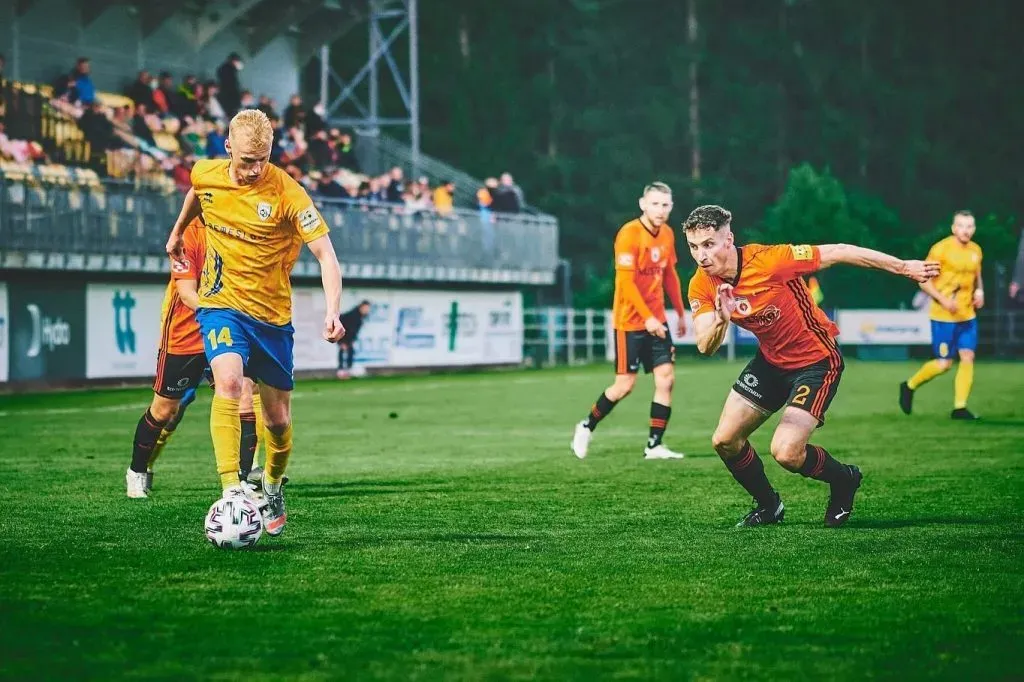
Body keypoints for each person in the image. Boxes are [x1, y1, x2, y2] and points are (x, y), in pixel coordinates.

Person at [683, 205, 939, 527]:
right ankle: (769, 506)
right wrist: (722, 318)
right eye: (693, 247)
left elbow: (840, 251)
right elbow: (705, 346)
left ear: (729, 239)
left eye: (709, 244)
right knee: (724, 440)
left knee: (786, 452)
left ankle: (844, 479)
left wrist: (903, 268)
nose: (701, 255)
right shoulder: (701, 284)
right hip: (770, 363)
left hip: (816, 361)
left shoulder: (771, 260)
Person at [164, 109, 344, 537]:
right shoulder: (207, 172)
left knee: (277, 422)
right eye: (246, 160)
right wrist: (178, 232)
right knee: (228, 382)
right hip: (221, 304)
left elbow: (326, 255)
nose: (254, 169)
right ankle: (232, 490)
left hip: (272, 319)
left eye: (262, 160)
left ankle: (272, 484)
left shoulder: (289, 194)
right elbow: (196, 192)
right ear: (228, 147)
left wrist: (332, 310)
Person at [126, 218, 264, 498]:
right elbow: (186, 293)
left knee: (245, 393)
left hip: (226, 328)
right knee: (165, 410)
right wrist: (220, 312)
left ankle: (244, 479)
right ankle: (137, 470)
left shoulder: (238, 223)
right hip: (186, 330)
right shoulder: (189, 234)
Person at [571, 181, 687, 460]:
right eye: (655, 204)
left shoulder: (668, 234)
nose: (660, 210)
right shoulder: (629, 234)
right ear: (643, 204)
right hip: (630, 322)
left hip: (657, 319)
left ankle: (654, 445)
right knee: (624, 385)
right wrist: (647, 319)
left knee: (666, 379)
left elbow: (669, 275)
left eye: (665, 205)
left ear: (671, 207)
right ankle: (586, 425)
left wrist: (681, 312)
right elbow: (626, 283)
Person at [899, 211, 984, 419]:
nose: (966, 230)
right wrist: (943, 300)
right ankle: (909, 385)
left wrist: (980, 292)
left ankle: (959, 407)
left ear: (974, 229)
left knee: (968, 356)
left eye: (970, 226)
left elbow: (977, 276)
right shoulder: (941, 249)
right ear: (954, 228)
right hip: (943, 316)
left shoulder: (976, 250)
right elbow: (923, 280)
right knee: (943, 364)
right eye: (961, 226)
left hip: (967, 315)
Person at [337, 300, 371, 379]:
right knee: (343, 351)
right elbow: (347, 329)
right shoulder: (354, 316)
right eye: (366, 308)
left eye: (368, 308)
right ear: (361, 307)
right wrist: (342, 341)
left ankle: (347, 370)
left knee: (350, 351)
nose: (367, 310)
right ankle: (341, 371)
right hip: (342, 335)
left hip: (347, 337)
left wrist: (351, 341)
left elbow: (353, 332)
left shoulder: (360, 316)